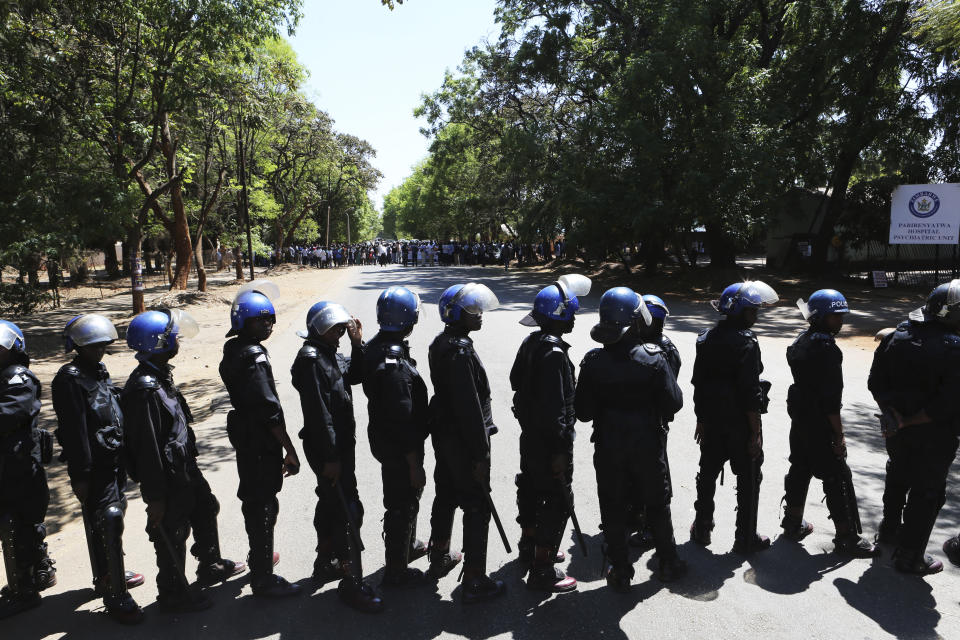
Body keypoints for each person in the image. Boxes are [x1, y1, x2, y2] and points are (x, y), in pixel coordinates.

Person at [121, 309, 246, 613]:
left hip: (184, 467)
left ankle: (211, 564)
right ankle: (172, 592)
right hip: (167, 477)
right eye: (171, 335)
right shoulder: (144, 389)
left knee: (206, 508)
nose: (177, 339)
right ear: (158, 342)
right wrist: (156, 497)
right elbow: (147, 449)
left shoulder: (160, 375)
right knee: (172, 531)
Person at [576, 287, 686, 591]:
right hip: (647, 446)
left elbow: (583, 412)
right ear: (635, 321)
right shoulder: (653, 359)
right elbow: (674, 403)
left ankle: (620, 571)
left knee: (612, 506)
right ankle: (668, 562)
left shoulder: (593, 361)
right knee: (657, 505)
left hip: (609, 447)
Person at [52, 314, 145, 624]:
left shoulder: (98, 371)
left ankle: (109, 573)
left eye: (102, 344)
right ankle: (115, 593)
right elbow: (75, 431)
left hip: (113, 459)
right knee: (108, 520)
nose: (99, 350)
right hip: (94, 467)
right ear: (77, 345)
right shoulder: (70, 377)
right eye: (91, 345)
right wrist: (80, 475)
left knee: (112, 516)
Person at [291, 303, 382, 612]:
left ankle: (326, 561)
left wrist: (358, 344)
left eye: (342, 328)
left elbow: (354, 374)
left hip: (339, 445)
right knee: (347, 508)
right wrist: (331, 457)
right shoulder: (311, 360)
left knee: (331, 502)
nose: (340, 333)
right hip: (328, 448)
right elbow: (319, 415)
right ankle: (350, 579)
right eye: (335, 329)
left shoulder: (329, 352)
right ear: (317, 328)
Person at [868, 280, 960, 574]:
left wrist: (893, 414)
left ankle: (889, 530)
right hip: (933, 434)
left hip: (897, 429)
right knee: (927, 492)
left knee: (898, 474)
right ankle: (910, 557)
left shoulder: (897, 336)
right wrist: (907, 419)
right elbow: (944, 406)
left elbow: (875, 383)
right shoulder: (954, 349)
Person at [511, 275, 592, 593]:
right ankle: (543, 568)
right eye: (570, 313)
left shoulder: (531, 342)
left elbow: (516, 380)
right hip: (550, 442)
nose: (574, 318)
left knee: (530, 488)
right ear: (560, 315)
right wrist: (560, 450)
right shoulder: (555, 353)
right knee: (557, 499)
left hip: (530, 436)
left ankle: (530, 546)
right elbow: (557, 408)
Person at [220, 284, 302, 597]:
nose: (268, 324)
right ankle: (263, 577)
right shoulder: (253, 355)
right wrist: (290, 450)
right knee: (263, 504)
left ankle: (260, 558)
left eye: (270, 318)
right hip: (259, 441)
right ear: (243, 323)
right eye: (260, 319)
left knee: (256, 499)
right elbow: (270, 411)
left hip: (247, 437)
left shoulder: (234, 349)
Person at [781, 290, 877, 558]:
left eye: (841, 315)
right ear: (820, 317)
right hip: (820, 423)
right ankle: (846, 537)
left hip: (800, 419)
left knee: (800, 468)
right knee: (836, 476)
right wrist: (839, 435)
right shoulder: (827, 350)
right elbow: (831, 400)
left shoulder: (802, 340)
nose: (841, 321)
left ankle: (792, 523)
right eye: (835, 316)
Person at [428, 283, 504, 604]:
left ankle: (440, 554)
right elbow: (470, 408)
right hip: (463, 439)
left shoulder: (443, 342)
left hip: (446, 437)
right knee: (476, 504)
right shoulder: (459, 351)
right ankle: (474, 578)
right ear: (456, 314)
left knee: (445, 494)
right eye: (473, 310)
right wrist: (480, 453)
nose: (481, 314)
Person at [689, 281, 778, 554]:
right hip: (739, 424)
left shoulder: (705, 339)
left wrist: (701, 420)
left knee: (707, 474)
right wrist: (756, 433)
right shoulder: (747, 343)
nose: (756, 315)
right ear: (738, 311)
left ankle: (702, 526)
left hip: (713, 421)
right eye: (752, 311)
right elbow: (750, 393)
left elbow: (698, 384)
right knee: (749, 479)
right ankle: (745, 537)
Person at [361, 287, 431, 587]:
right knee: (402, 502)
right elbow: (403, 420)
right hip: (400, 448)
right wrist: (415, 463)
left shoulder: (376, 347)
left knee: (406, 498)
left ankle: (408, 546)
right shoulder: (393, 363)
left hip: (384, 440)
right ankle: (396, 570)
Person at [0, 320, 55, 619]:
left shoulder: (18, 377)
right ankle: (35, 574)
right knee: (15, 524)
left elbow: (12, 412)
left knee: (19, 525)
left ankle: (26, 589)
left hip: (20, 465)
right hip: (8, 464)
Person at [627, 295, 680, 550]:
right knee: (637, 473)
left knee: (656, 477)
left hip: (654, 422)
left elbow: (671, 392)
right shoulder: (636, 346)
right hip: (641, 421)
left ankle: (650, 523)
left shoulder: (662, 350)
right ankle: (636, 515)